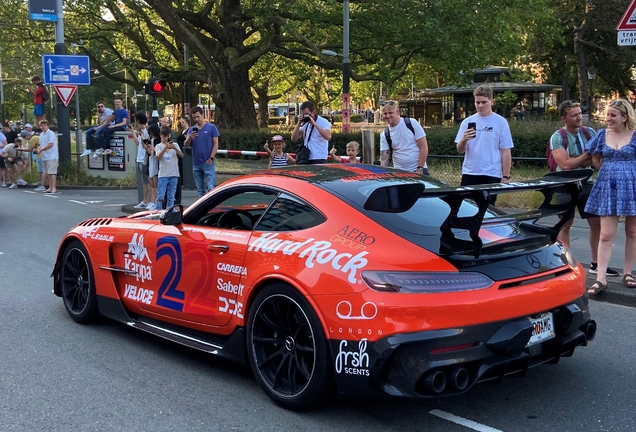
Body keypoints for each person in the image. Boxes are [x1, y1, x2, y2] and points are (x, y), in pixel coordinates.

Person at [549, 100, 619, 278]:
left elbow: (595, 160)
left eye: (580, 113)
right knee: (565, 223)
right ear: (564, 118)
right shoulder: (558, 137)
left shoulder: (590, 133)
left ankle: (596, 264)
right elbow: (564, 165)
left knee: (596, 223)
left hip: (587, 182)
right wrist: (585, 155)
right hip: (564, 184)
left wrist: (578, 159)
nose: (579, 117)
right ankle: (566, 264)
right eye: (574, 115)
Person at [584, 99, 636, 294]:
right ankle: (601, 278)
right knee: (606, 234)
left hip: (632, 186)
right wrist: (611, 172)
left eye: (613, 115)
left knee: (632, 231)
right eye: (607, 115)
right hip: (608, 186)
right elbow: (595, 158)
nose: (608, 119)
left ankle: (628, 272)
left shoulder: (635, 136)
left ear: (624, 117)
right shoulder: (601, 135)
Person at [455, 85, 514, 203]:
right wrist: (464, 139)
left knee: (488, 209)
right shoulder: (467, 121)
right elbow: (460, 150)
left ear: (491, 101)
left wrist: (506, 176)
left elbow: (505, 151)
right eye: (477, 102)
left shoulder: (500, 122)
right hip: (470, 172)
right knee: (467, 208)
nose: (480, 106)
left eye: (484, 102)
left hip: (491, 173)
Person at [379, 101, 429, 174]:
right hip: (399, 173)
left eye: (390, 113)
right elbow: (384, 157)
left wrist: (420, 168)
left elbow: (423, 147)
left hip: (418, 170)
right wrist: (382, 173)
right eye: (385, 114)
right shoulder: (385, 134)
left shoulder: (412, 123)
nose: (387, 116)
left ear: (397, 112)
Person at [183, 106, 219, 197]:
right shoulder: (191, 130)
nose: (196, 119)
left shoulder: (211, 127)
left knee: (211, 188)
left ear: (202, 115)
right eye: (194, 117)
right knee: (200, 190)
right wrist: (190, 138)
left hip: (208, 161)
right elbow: (185, 145)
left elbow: (215, 144)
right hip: (196, 163)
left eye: (198, 117)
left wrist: (211, 157)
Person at [154, 126, 183, 209]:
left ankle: (169, 211)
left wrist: (175, 148)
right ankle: (158, 211)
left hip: (174, 174)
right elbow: (158, 156)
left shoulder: (175, 145)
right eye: (164, 136)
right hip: (163, 174)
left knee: (171, 197)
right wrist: (165, 148)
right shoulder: (158, 146)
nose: (166, 138)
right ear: (160, 135)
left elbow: (181, 155)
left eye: (167, 136)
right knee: (161, 196)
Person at [130, 113, 151, 209]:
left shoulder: (146, 132)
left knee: (147, 181)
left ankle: (147, 201)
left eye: (135, 120)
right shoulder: (142, 131)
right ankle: (145, 200)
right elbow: (138, 143)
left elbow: (144, 144)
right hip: (140, 158)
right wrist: (133, 132)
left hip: (143, 158)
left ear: (138, 121)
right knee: (144, 181)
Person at [34, 120, 58, 193]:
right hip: (44, 155)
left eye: (45, 125)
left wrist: (41, 150)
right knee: (47, 172)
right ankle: (50, 187)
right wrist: (38, 149)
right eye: (42, 125)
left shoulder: (50, 133)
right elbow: (41, 144)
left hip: (51, 155)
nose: (43, 127)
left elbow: (50, 144)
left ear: (48, 125)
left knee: (52, 172)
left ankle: (54, 187)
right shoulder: (41, 134)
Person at [145, 122, 161, 210]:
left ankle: (156, 201)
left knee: (156, 183)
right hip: (151, 161)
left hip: (156, 162)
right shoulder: (152, 140)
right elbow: (151, 153)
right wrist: (148, 148)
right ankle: (152, 201)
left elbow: (157, 152)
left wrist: (152, 149)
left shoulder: (158, 140)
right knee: (152, 183)